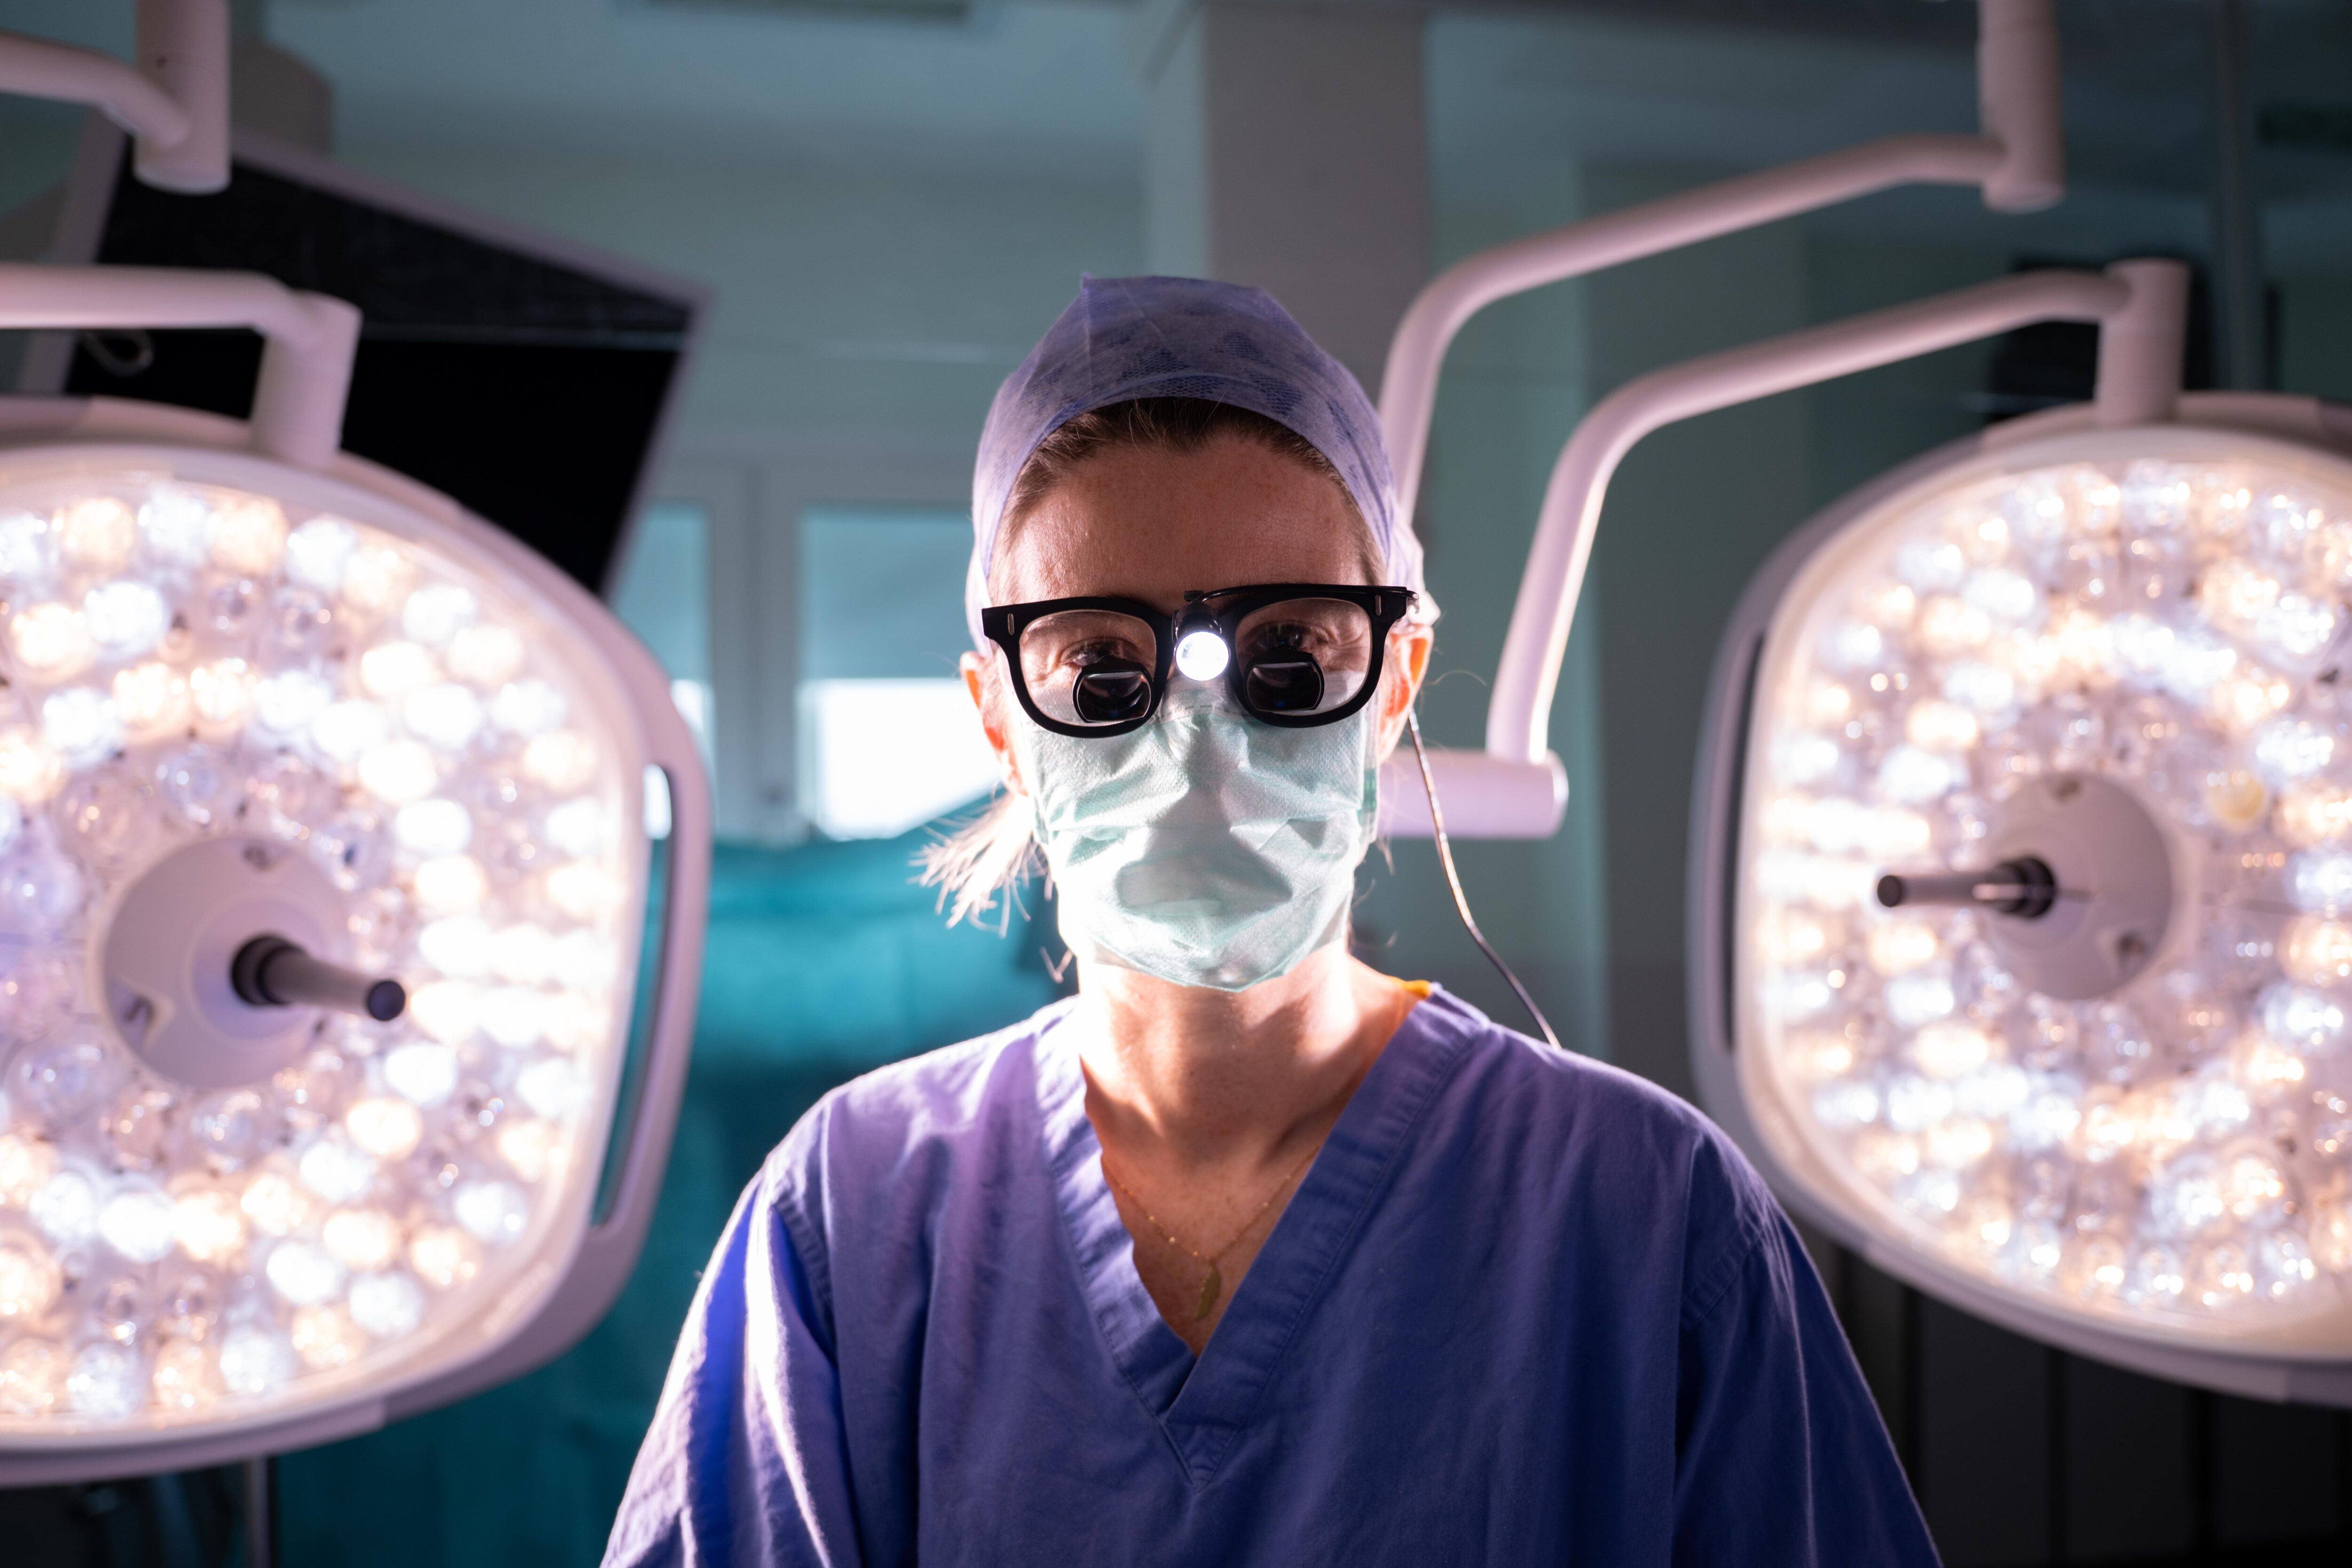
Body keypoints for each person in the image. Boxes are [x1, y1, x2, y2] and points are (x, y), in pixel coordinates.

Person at [604, 276, 1938, 1566]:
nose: (1201, 742)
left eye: (1290, 657)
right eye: (1101, 666)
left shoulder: (1640, 1209)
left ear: (1396, 680)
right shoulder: (855, 1211)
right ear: (999, 717)